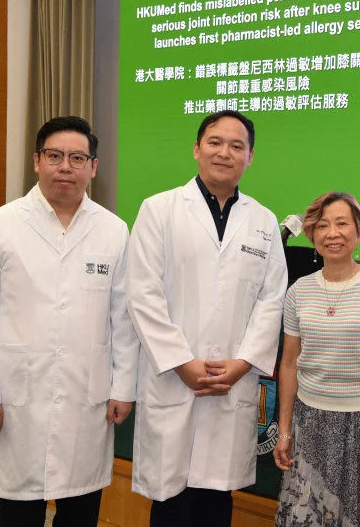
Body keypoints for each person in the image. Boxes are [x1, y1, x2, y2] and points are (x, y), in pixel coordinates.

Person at [0, 116, 139, 527]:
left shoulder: (113, 230)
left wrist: (123, 388)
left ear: (93, 167)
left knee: (81, 512)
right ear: (37, 161)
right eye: (55, 156)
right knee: (19, 513)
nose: (65, 167)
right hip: (16, 398)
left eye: (77, 158)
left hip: (86, 400)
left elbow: (124, 320)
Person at [127, 110, 288, 527]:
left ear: (250, 157)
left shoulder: (263, 221)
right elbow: (142, 293)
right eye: (215, 142)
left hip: (230, 382)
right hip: (173, 377)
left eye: (237, 146)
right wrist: (182, 362)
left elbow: (271, 300)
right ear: (197, 149)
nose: (225, 153)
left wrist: (243, 363)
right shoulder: (159, 209)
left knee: (217, 500)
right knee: (171, 502)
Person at [274, 192, 360, 527]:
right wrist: (284, 431)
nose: (333, 233)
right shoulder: (298, 292)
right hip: (309, 422)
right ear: (312, 235)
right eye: (323, 225)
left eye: (342, 223)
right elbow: (289, 364)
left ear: (359, 230)